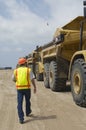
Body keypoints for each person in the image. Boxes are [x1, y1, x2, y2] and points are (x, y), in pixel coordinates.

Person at [12, 57, 37, 124]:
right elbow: (32, 79)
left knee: (19, 103)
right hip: (27, 89)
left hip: (19, 89)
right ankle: (28, 112)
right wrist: (35, 87)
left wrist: (18, 82)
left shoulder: (16, 71)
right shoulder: (28, 70)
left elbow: (13, 79)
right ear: (25, 63)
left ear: (19, 64)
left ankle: (21, 118)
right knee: (27, 101)